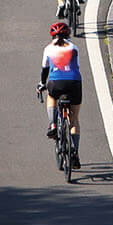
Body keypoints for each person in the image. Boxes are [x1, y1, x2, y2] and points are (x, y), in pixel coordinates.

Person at [40, 21, 84, 149]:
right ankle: (74, 152)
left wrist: (41, 84)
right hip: (74, 82)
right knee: (74, 120)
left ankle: (53, 124)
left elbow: (45, 70)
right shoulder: (74, 47)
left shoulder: (48, 49)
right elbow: (77, 66)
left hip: (56, 83)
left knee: (51, 96)